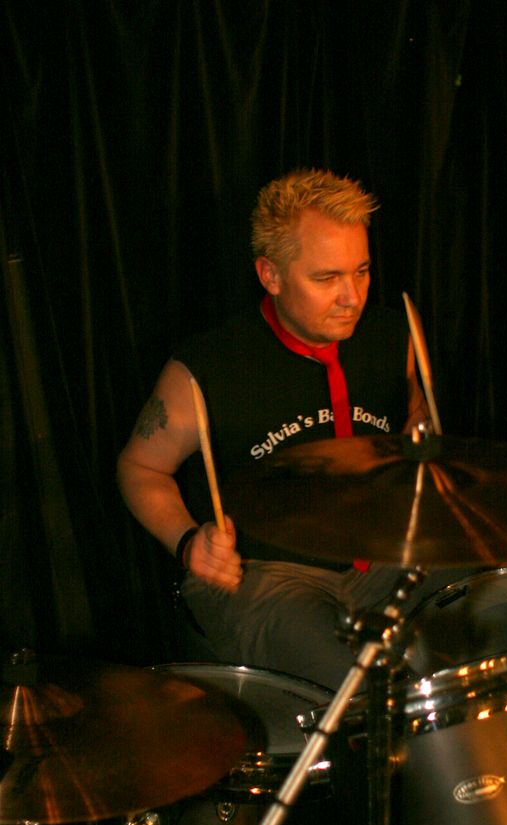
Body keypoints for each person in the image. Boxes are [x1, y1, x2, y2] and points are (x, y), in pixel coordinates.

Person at [117, 168, 431, 690]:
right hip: (267, 575)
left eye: (361, 271)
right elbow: (139, 468)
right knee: (362, 685)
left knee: (488, 614)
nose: (352, 297)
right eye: (326, 279)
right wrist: (189, 542)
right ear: (271, 275)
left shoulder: (394, 334)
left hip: (382, 555)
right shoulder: (208, 367)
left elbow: (417, 421)